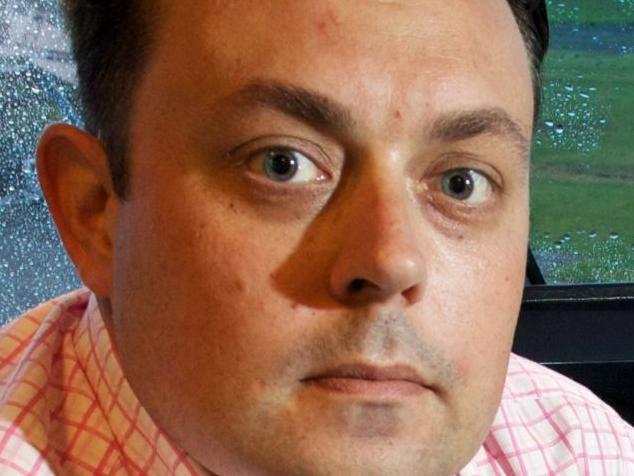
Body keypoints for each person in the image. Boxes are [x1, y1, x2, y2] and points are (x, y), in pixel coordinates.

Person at [1, 0, 632, 474]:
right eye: (282, 164)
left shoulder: (584, 453)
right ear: (95, 211)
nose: (390, 260)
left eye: (462, 183)